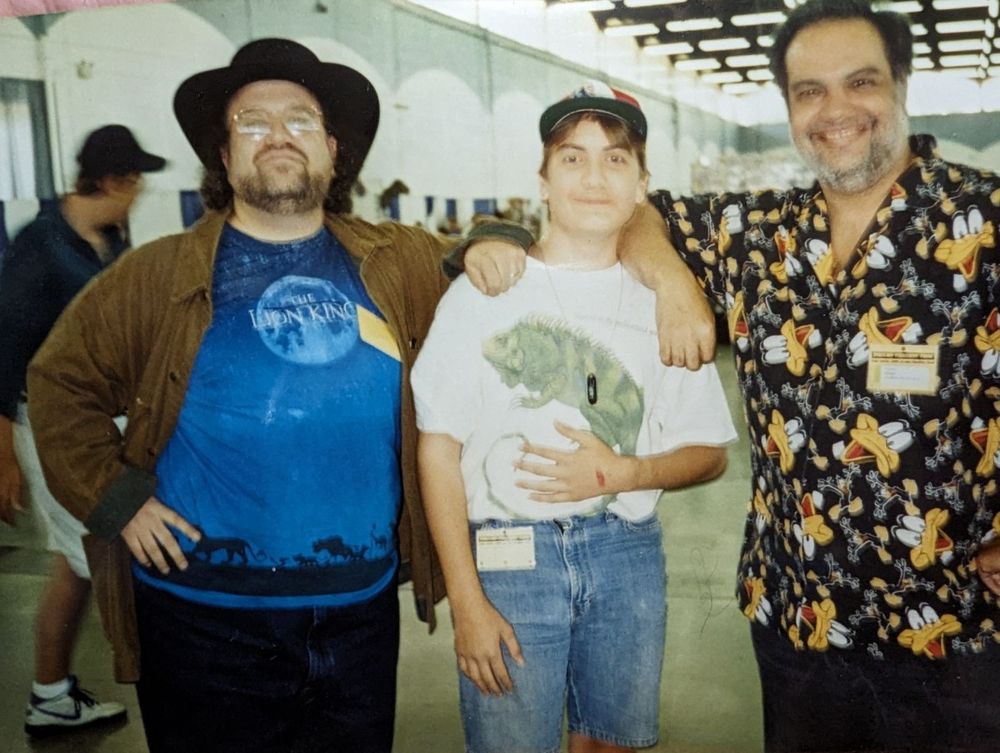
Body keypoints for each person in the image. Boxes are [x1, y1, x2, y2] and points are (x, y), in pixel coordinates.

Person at [25, 39, 530, 753]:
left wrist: (497, 239)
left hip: (359, 617)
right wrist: (117, 496)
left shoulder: (398, 261)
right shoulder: (155, 275)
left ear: (331, 151)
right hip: (202, 622)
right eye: (253, 123)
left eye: (299, 119)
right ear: (224, 156)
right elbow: (58, 381)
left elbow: (504, 249)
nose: (279, 135)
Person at [607, 1, 1000, 751]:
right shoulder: (754, 232)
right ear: (788, 106)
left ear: (902, 86)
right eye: (809, 90)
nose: (837, 110)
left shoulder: (980, 220)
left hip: (956, 628)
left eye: (861, 81)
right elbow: (639, 213)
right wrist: (678, 284)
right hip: (798, 621)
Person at [413, 83, 736, 753]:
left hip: (626, 556)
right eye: (572, 157)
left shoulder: (667, 302)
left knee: (610, 743)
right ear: (542, 178)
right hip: (507, 561)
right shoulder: (481, 293)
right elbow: (437, 450)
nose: (594, 177)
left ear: (643, 182)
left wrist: (628, 469)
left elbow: (711, 451)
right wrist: (466, 601)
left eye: (616, 160)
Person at [0, 124, 165, 737]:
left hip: (101, 420)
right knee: (93, 559)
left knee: (77, 561)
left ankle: (52, 693)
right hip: (48, 424)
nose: (138, 194)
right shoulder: (41, 243)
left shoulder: (108, 238)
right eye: (136, 183)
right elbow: (7, 345)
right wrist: (5, 455)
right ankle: (53, 695)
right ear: (114, 180)